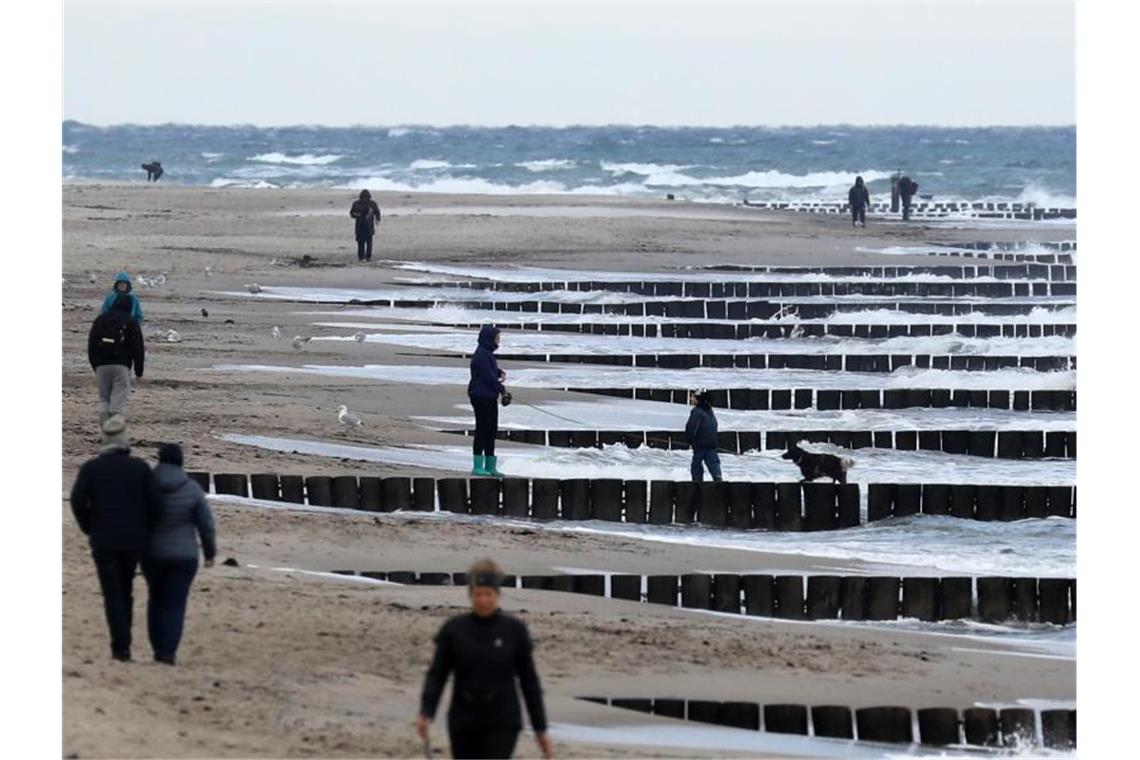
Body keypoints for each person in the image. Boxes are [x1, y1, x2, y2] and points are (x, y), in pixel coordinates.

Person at [417, 559, 552, 760]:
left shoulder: (514, 631)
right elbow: (438, 674)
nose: (483, 600)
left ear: (497, 595)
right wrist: (426, 712)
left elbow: (529, 681)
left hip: (503, 720)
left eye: (488, 594)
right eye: (478, 594)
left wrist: (540, 729)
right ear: (471, 596)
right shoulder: (454, 629)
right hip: (463, 719)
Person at [69, 415, 160, 662]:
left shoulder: (91, 469)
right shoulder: (139, 468)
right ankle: (124, 643)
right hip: (133, 540)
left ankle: (120, 646)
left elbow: (77, 502)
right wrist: (146, 529)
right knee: (126, 589)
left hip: (103, 539)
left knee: (112, 593)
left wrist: (89, 526)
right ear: (124, 442)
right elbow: (155, 504)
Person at [143, 443, 216, 665]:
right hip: (185, 557)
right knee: (175, 604)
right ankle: (168, 652)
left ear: (159, 460)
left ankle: (157, 649)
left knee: (155, 600)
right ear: (181, 462)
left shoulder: (146, 487)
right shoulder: (192, 489)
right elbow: (206, 526)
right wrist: (210, 553)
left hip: (152, 555)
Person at [89, 293, 145, 426]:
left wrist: (95, 365)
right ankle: (113, 434)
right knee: (117, 400)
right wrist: (139, 371)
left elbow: (91, 343)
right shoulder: (131, 321)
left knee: (104, 399)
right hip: (121, 366)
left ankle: (104, 430)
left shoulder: (100, 319)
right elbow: (138, 347)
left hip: (101, 366)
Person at [468, 325, 508, 478]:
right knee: (482, 430)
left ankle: (490, 467)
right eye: (497, 337)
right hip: (480, 396)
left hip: (489, 397)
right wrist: (502, 389)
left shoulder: (487, 354)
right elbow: (487, 377)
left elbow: (491, 372)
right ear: (489, 338)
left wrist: (500, 372)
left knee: (491, 430)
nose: (498, 340)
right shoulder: (482, 354)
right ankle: (478, 466)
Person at [686, 389, 722, 482]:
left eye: (692, 397)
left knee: (696, 465)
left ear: (698, 399)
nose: (690, 398)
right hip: (712, 443)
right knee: (713, 463)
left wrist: (689, 439)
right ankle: (718, 478)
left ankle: (697, 483)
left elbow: (692, 426)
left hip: (700, 444)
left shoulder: (696, 411)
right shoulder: (709, 411)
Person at [349, 189, 382, 262]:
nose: (365, 199)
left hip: (369, 227)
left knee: (369, 243)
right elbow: (352, 213)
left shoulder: (372, 204)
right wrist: (357, 215)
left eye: (366, 197)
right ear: (361, 197)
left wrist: (378, 219)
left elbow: (377, 212)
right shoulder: (356, 203)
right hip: (359, 227)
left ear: (369, 197)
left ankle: (368, 257)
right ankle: (361, 257)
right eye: (363, 197)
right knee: (360, 243)